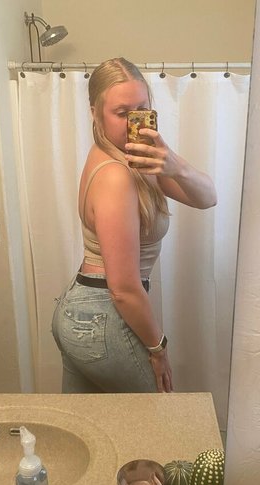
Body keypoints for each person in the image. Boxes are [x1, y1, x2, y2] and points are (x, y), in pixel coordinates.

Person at [52, 57, 217, 394]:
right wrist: (159, 348)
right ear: (95, 113)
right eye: (122, 112)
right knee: (158, 419)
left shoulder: (132, 158)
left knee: (90, 423)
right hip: (104, 314)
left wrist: (175, 165)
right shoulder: (116, 176)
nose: (135, 121)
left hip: (83, 310)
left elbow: (207, 198)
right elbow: (124, 288)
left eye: (142, 109)